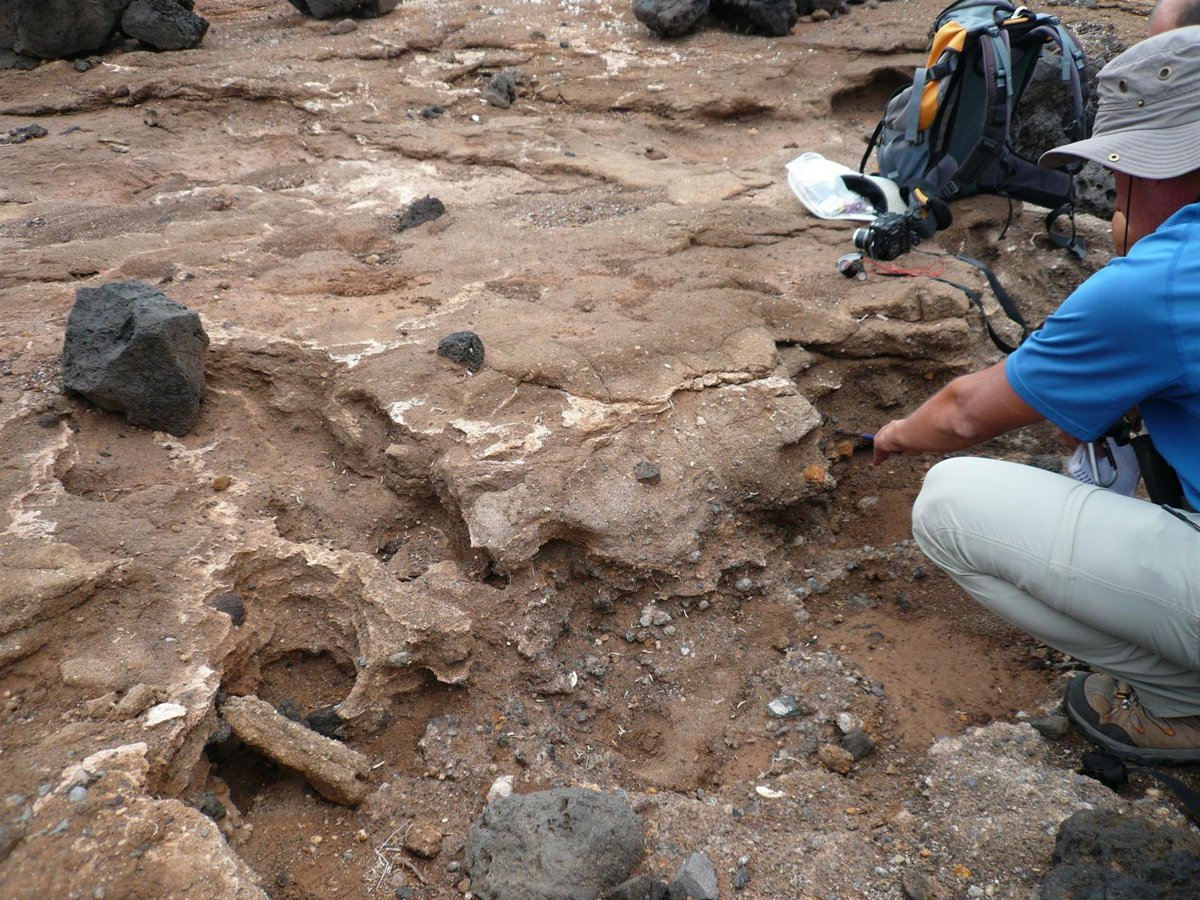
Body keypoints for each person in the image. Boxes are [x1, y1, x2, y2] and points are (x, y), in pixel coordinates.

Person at [871, 27, 1200, 765]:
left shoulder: (1163, 280)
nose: (1117, 195)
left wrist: (894, 435)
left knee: (947, 502)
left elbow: (964, 413)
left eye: (1121, 171)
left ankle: (1183, 705)